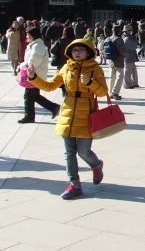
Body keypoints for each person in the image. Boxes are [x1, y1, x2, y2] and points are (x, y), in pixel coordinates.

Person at [27, 38, 107, 199]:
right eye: (74, 50)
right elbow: (50, 86)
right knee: (69, 153)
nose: (77, 53)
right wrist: (33, 77)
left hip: (86, 112)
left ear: (88, 52)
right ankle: (75, 184)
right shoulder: (66, 67)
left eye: (81, 50)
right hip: (68, 112)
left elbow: (103, 92)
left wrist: (90, 82)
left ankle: (96, 165)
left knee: (84, 152)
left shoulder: (95, 69)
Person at [18, 27, 61, 124]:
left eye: (28, 35)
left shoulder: (38, 46)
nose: (27, 36)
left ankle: (29, 116)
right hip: (34, 74)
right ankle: (53, 107)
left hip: (35, 75)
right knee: (34, 96)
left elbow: (33, 62)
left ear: (34, 35)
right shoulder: (35, 45)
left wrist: (21, 66)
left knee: (28, 96)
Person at [105, 25, 125, 101]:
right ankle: (115, 92)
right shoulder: (119, 39)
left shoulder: (108, 38)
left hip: (110, 60)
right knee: (120, 75)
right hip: (118, 59)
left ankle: (110, 92)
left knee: (111, 77)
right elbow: (122, 51)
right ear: (120, 31)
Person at [122, 24, 140, 89]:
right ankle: (127, 84)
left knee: (133, 70)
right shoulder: (126, 38)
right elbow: (134, 46)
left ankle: (134, 83)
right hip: (128, 55)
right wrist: (135, 40)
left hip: (131, 55)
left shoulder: (130, 37)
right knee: (128, 70)